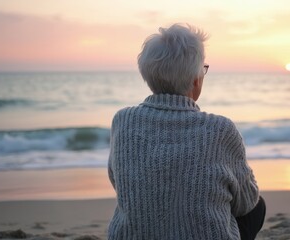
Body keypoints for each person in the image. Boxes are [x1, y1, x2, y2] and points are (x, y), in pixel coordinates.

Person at [107, 23, 265, 240]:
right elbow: (246, 202)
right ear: (196, 79)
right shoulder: (220, 129)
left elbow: (118, 182)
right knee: (258, 206)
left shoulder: (122, 121)